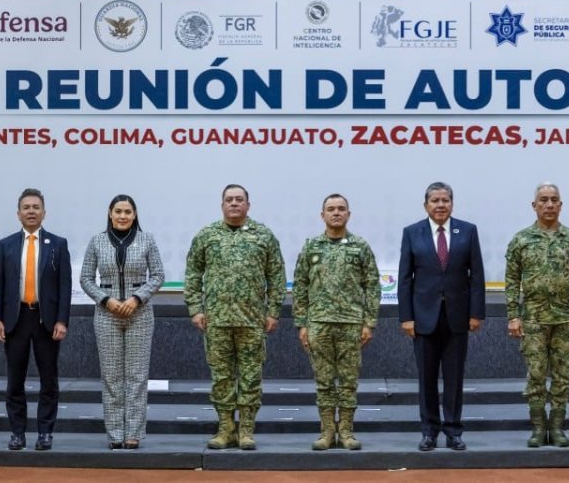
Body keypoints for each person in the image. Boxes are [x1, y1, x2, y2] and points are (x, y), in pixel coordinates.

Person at [184, 184, 285, 451]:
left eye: (239, 200)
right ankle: (226, 428)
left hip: (252, 320)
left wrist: (273, 311)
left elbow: (276, 276)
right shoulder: (207, 235)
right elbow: (193, 273)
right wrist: (195, 308)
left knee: (251, 377)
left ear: (248, 205)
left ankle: (247, 430)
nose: (234, 204)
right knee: (221, 378)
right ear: (222, 205)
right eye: (229, 200)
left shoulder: (263, 235)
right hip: (216, 320)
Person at [505, 183, 569, 448]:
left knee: (563, 375)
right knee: (535, 374)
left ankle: (556, 428)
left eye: (554, 200)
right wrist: (513, 315)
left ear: (561, 205)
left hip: (567, 318)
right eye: (543, 200)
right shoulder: (521, 240)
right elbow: (511, 280)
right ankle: (537, 428)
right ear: (534, 206)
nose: (549, 204)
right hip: (533, 318)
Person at [398, 181, 485, 452]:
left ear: (452, 204)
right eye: (434, 201)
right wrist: (406, 317)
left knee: (454, 378)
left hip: (458, 317)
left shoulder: (467, 231)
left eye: (445, 200)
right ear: (426, 205)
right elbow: (404, 279)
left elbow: (477, 276)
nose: (440, 205)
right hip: (423, 319)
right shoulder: (412, 233)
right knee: (426, 379)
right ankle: (429, 432)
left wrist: (476, 312)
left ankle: (453, 431)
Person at [292, 194, 381, 451]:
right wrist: (302, 323)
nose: (336, 213)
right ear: (322, 215)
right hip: (319, 323)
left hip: (351, 324)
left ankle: (347, 432)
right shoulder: (311, 247)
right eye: (330, 209)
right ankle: (327, 432)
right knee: (323, 381)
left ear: (349, 214)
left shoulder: (360, 247)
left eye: (341, 209)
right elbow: (300, 286)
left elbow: (372, 286)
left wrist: (369, 322)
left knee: (349, 381)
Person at [79, 194, 165, 450]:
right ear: (110, 213)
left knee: (137, 377)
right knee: (112, 377)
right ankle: (115, 433)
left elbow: (158, 275)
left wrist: (137, 298)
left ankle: (134, 434)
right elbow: (85, 278)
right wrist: (106, 300)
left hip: (139, 315)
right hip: (107, 316)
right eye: (118, 211)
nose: (123, 216)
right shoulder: (96, 241)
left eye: (128, 211)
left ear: (135, 214)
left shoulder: (147, 239)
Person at [0, 188, 72, 451]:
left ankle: (45, 433)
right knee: (15, 380)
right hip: (16, 320)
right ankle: (17, 433)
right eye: (26, 207)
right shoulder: (6, 245)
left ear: (44, 212)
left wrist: (62, 320)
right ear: (18, 213)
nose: (31, 211)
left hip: (46, 321)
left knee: (49, 380)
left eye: (36, 207)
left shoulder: (58, 245)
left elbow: (64, 287)